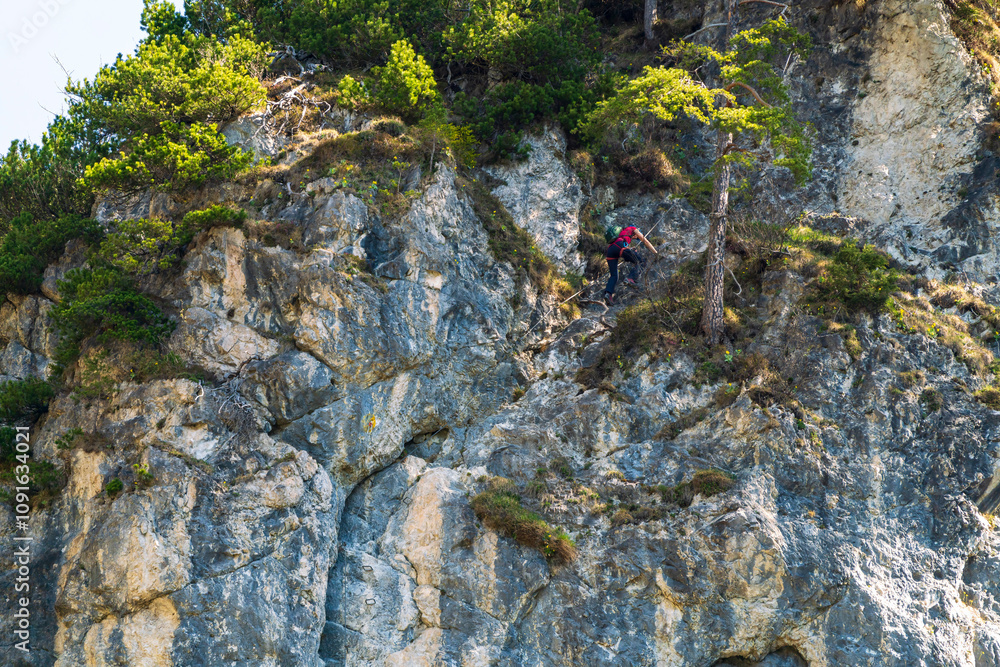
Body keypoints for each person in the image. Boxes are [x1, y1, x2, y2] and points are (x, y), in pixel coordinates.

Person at [604, 226, 657, 305]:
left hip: (610, 250)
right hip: (620, 246)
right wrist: (656, 253)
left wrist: (630, 250)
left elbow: (623, 246)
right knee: (641, 261)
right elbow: (645, 241)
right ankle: (630, 279)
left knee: (614, 275)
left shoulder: (622, 233)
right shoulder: (633, 228)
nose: (636, 237)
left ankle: (608, 294)